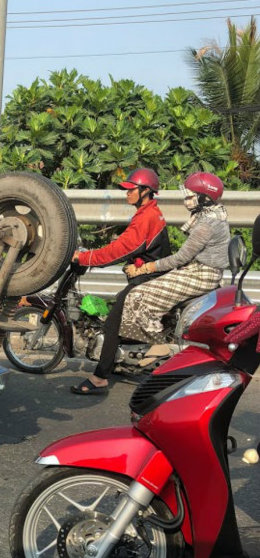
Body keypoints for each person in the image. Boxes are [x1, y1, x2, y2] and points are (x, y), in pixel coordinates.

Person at [70, 167, 170, 397]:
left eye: (130, 190)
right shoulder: (149, 213)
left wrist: (85, 257)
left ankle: (99, 377)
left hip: (147, 279)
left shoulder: (146, 218)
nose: (126, 193)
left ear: (145, 191)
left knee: (111, 324)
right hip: (146, 274)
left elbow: (119, 250)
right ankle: (119, 359)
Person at [120, 171, 230, 342]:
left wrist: (145, 268)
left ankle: (157, 345)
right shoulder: (211, 216)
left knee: (137, 296)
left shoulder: (207, 224)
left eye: (190, 196)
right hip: (200, 272)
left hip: (200, 276)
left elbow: (180, 258)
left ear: (204, 198)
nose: (185, 200)